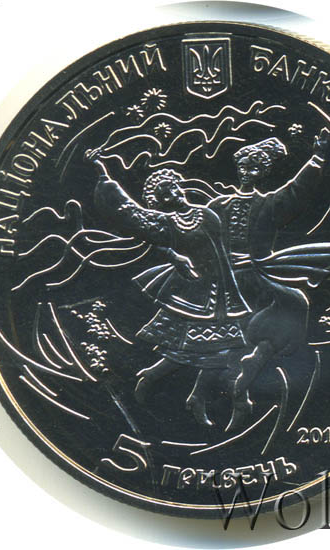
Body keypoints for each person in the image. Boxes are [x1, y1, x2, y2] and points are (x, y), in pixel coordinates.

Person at [192, 128, 330, 430]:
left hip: (256, 278)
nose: (247, 172)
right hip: (223, 282)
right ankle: (202, 395)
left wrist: (316, 159)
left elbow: (296, 190)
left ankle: (242, 385)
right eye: (244, 166)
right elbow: (196, 239)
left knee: (293, 306)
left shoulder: (268, 204)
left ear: (263, 172)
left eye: (254, 168)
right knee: (223, 338)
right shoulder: (217, 206)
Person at [86, 149, 250, 426]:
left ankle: (178, 388)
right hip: (190, 294)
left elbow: (223, 251)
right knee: (208, 349)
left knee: (220, 350)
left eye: (173, 188)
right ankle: (163, 382)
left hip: (219, 292)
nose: (174, 195)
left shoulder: (207, 214)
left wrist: (232, 286)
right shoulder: (166, 223)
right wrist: (102, 172)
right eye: (165, 195)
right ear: (161, 202)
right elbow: (129, 212)